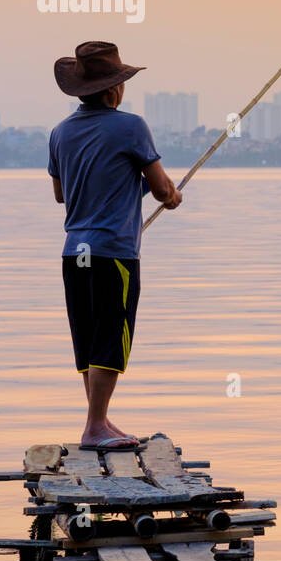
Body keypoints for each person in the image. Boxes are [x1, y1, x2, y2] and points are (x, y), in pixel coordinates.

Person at [48, 41, 182, 451]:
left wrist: (129, 186)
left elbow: (62, 195)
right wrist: (170, 196)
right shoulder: (131, 126)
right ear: (113, 91)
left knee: (89, 340)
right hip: (113, 252)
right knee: (111, 338)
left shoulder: (60, 133)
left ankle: (100, 420)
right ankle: (93, 429)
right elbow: (161, 189)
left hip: (75, 253)